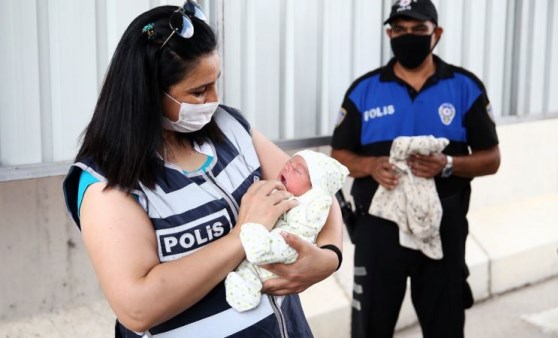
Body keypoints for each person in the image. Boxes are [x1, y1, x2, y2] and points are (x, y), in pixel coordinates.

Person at [62, 2, 343, 337]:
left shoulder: (230, 127)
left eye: (216, 83)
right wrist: (242, 236)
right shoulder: (108, 183)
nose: (214, 100)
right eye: (198, 91)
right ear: (149, 94)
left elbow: (316, 190)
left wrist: (330, 257)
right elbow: (137, 307)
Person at [330, 0, 501, 337]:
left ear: (435, 34)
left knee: (445, 327)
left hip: (443, 228)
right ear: (389, 34)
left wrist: (448, 164)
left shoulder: (465, 88)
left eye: (418, 30)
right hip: (378, 231)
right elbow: (338, 155)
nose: (407, 37)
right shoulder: (364, 90)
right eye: (400, 30)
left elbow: (491, 158)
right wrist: (370, 165)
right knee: (370, 328)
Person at [225, 150, 349, 312]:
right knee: (248, 271)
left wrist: (331, 258)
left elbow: (305, 225)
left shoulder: (315, 204)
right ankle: (246, 292)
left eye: (296, 170)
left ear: (314, 189)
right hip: (270, 248)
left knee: (281, 241)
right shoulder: (287, 192)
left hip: (290, 243)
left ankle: (259, 248)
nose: (287, 167)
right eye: (288, 163)